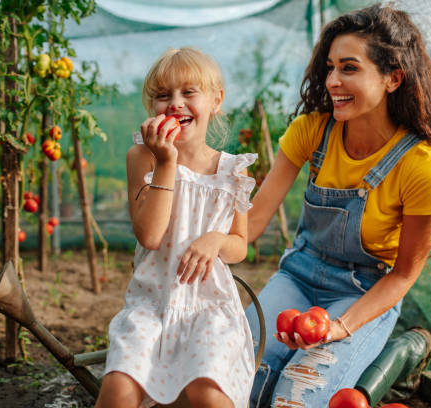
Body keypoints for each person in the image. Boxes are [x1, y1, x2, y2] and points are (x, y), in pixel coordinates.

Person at [244, 4, 431, 407]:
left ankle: (403, 352)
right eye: (329, 67)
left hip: (365, 292)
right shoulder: (311, 131)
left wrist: (341, 327)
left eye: (349, 68)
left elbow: (402, 276)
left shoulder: (422, 166)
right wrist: (206, 247)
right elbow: (253, 219)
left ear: (393, 77)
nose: (331, 81)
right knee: (237, 378)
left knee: (296, 395)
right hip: (297, 276)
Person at [95, 47, 257, 408]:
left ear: (216, 101)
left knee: (209, 394)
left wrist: (217, 240)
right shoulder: (143, 158)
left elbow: (240, 245)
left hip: (210, 309)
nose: (175, 104)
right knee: (119, 390)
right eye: (163, 95)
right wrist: (166, 162)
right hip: (151, 304)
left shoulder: (232, 171)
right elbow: (150, 236)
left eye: (188, 92)